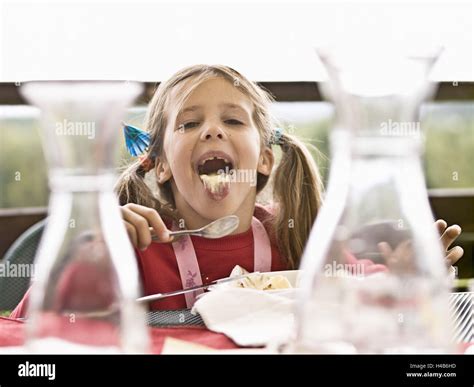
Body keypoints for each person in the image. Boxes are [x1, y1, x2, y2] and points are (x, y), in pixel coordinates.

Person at [10, 64, 464, 316]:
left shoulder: (299, 238)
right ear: (161, 164)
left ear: (265, 158)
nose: (211, 131)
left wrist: (415, 276)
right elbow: (30, 333)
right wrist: (87, 252)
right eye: (189, 123)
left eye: (232, 120)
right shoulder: (133, 246)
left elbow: (371, 302)